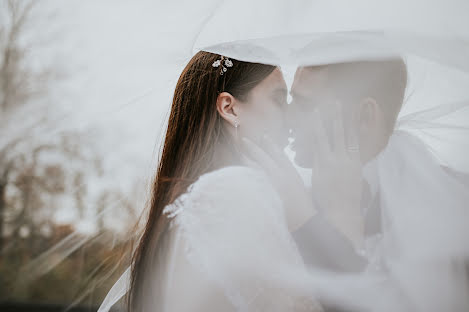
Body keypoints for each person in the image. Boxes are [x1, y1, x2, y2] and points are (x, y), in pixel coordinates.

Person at [99, 51, 319, 312]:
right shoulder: (236, 192)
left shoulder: (191, 199)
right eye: (278, 100)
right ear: (229, 108)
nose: (291, 118)